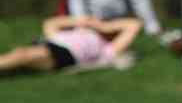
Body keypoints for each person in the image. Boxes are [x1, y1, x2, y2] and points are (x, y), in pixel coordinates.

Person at [0, 15, 141, 76]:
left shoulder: (108, 47)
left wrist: (104, 26)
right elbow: (50, 23)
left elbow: (134, 24)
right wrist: (80, 21)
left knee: (21, 55)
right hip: (50, 44)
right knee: (20, 55)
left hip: (67, 54)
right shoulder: (79, 30)